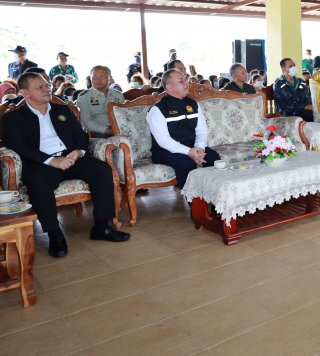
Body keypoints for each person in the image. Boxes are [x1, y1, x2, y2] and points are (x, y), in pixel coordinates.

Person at [2, 72, 130, 257]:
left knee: (102, 170)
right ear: (25, 93)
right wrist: (51, 160)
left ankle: (102, 226)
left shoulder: (61, 110)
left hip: (71, 158)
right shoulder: (13, 118)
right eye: (40, 87)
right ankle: (54, 234)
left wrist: (78, 152)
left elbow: (80, 135)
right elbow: (17, 145)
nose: (47, 89)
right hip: (41, 163)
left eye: (47, 85)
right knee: (38, 181)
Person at [147, 69, 220, 188]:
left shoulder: (193, 104)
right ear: (169, 87)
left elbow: (201, 130)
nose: (187, 83)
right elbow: (163, 140)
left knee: (213, 158)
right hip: (165, 151)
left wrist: (199, 148)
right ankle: (195, 204)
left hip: (192, 146)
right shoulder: (157, 110)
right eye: (182, 81)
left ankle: (214, 201)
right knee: (185, 162)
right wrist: (189, 152)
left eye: (186, 80)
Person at [77, 66, 125, 138]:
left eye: (102, 77)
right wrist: (106, 130)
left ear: (110, 78)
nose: (98, 80)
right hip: (98, 132)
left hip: (120, 129)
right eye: (94, 77)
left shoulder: (118, 95)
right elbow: (85, 121)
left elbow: (125, 115)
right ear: (91, 79)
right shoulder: (84, 96)